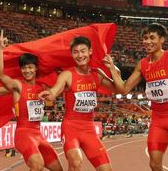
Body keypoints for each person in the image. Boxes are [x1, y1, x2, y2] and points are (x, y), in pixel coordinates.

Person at [104, 20, 168, 171]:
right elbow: (124, 89)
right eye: (145, 38)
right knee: (154, 164)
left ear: (162, 40)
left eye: (152, 38)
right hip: (158, 120)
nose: (147, 41)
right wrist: (113, 69)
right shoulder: (143, 64)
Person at [39, 36, 118, 171]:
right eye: (75, 52)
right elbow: (55, 91)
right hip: (71, 127)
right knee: (75, 162)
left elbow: (117, 88)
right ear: (71, 54)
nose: (80, 55)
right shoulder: (67, 74)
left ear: (90, 51)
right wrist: (49, 94)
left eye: (83, 51)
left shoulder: (97, 74)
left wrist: (113, 69)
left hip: (89, 129)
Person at [0, 31, 63, 171]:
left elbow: (59, 88)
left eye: (30, 67)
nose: (27, 70)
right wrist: (0, 50)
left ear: (36, 68)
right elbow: (0, 75)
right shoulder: (18, 86)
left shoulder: (42, 87)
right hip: (23, 134)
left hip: (39, 134)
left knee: (58, 169)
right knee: (37, 166)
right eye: (24, 67)